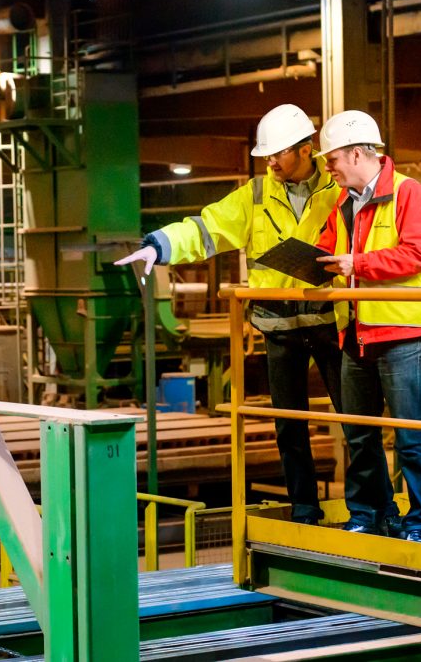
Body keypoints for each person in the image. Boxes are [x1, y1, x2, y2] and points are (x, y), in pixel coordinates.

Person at [115, 104, 345, 525]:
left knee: (355, 420)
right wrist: (158, 246)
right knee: (288, 426)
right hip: (278, 327)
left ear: (306, 149)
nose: (270, 161)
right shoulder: (256, 195)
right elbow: (207, 228)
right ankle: (305, 509)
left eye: (278, 153)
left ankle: (367, 510)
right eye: (268, 155)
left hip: (331, 323)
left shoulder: (339, 187)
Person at [313, 110, 421, 544]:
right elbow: (329, 248)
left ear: (355, 153)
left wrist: (358, 264)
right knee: (359, 434)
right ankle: (367, 514)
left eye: (332, 159)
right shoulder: (344, 203)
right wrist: (306, 260)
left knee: (410, 434)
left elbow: (419, 254)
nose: (328, 168)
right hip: (356, 334)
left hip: (401, 333)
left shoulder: (409, 194)